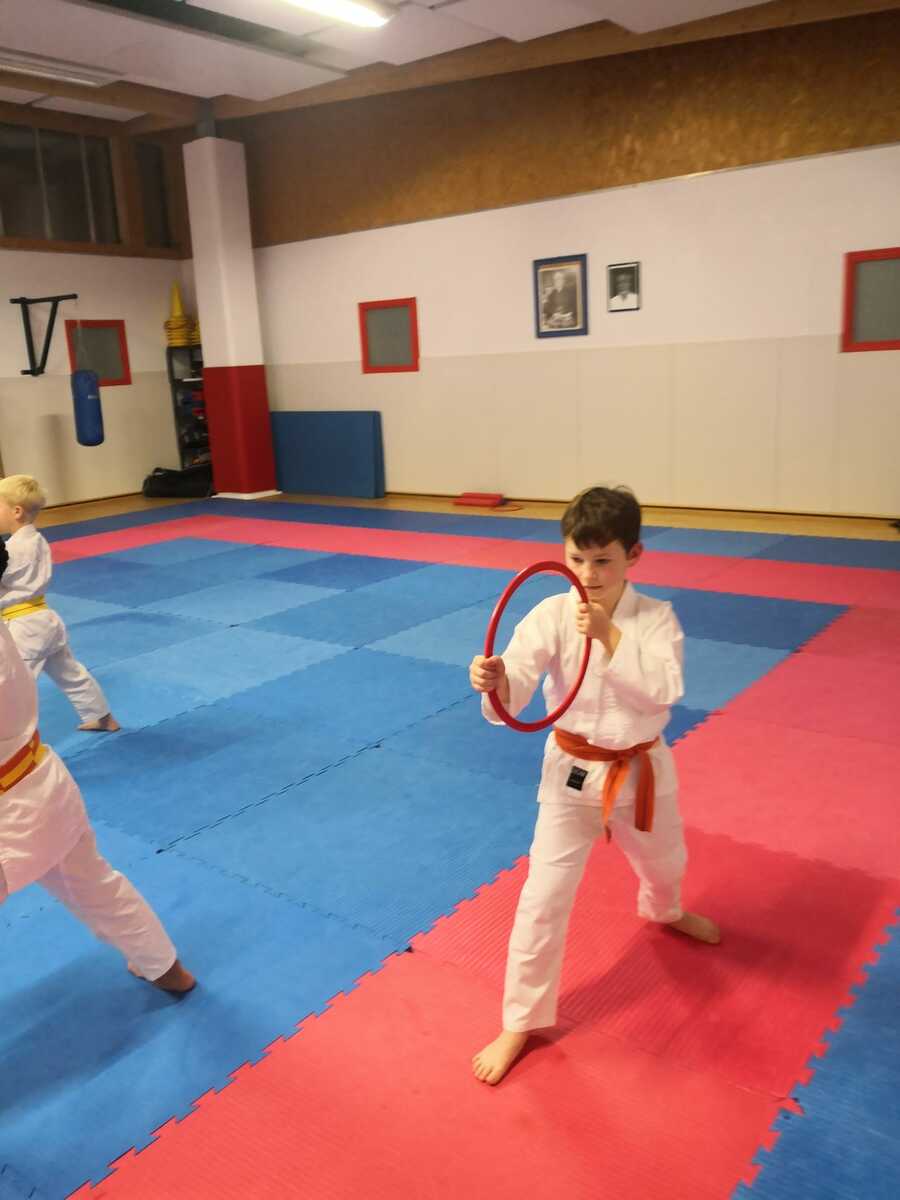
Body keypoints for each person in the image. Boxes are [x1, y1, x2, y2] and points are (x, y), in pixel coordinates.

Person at [469, 486, 719, 1086]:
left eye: (603, 560)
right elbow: (517, 689)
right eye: (577, 559)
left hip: (642, 772)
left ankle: (664, 909)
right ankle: (520, 1020)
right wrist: (496, 682)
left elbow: (663, 691)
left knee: (666, 861)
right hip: (571, 775)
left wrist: (609, 635)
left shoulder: (655, 618)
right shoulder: (551, 614)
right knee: (542, 898)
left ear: (634, 555)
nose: (588, 574)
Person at [0, 538, 194, 993]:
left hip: (9, 815)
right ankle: (166, 969)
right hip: (45, 784)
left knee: (95, 885)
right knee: (98, 887)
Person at [0, 475, 119, 733]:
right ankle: (102, 717)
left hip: (23, 626)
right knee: (70, 673)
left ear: (16, 511)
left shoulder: (13, 549)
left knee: (15, 685)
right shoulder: (37, 540)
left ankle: (16, 739)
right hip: (44, 618)